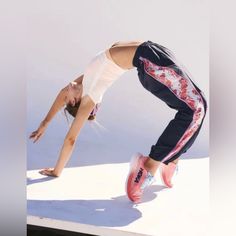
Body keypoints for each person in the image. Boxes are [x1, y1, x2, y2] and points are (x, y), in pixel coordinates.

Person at [29, 40, 207, 203]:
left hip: (153, 52)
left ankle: (171, 159)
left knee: (198, 104)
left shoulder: (87, 79)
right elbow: (70, 139)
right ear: (75, 101)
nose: (66, 89)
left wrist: (44, 123)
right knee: (195, 108)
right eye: (68, 97)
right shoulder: (90, 94)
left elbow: (62, 94)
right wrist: (56, 171)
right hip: (149, 62)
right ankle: (149, 167)